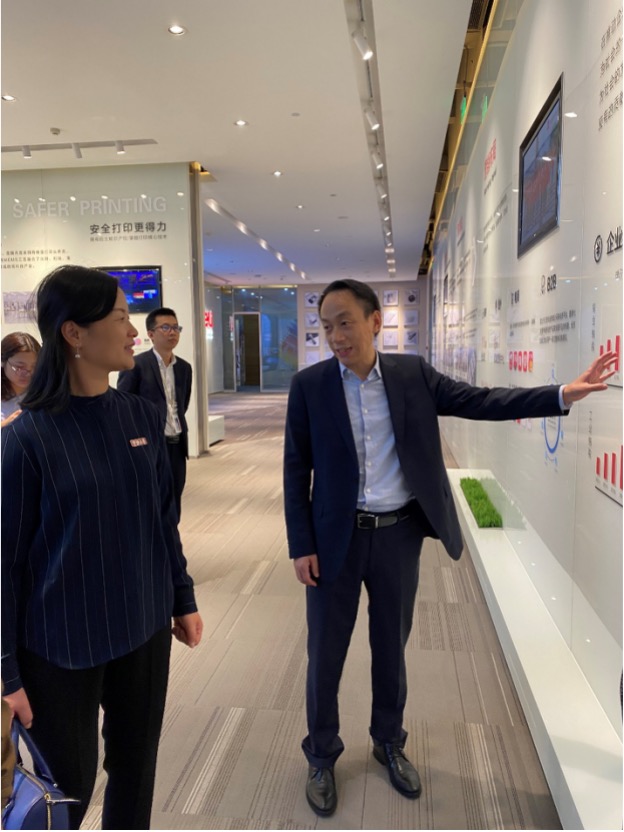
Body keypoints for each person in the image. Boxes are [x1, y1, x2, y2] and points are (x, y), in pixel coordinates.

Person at [283, 278, 617, 817]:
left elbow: (480, 401)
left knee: (391, 648)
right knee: (325, 653)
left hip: (397, 536)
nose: (336, 336)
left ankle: (389, 742)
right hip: (333, 541)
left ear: (374, 322)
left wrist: (560, 394)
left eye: (345, 322)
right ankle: (321, 755)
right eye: (326, 326)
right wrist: (301, 544)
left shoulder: (411, 375)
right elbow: (296, 469)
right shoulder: (310, 386)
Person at [1, 266, 203, 830]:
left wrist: (182, 597)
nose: (134, 330)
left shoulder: (139, 415)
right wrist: (7, 672)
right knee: (69, 786)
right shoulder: (24, 439)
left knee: (136, 768)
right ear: (74, 333)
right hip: (60, 642)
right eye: (119, 317)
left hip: (143, 624)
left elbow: (162, 521)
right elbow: (3, 565)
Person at [117, 307, 192, 521]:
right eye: (165, 327)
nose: (172, 332)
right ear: (151, 334)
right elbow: (124, 406)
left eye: (176, 328)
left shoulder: (184, 368)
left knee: (174, 501)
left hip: (177, 445)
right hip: (150, 445)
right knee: (152, 502)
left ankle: (171, 540)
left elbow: (183, 404)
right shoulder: (136, 365)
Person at [1, 332, 41, 427]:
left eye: (34, 366)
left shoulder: (44, 392)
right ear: (2, 361)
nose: (28, 373)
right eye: (20, 367)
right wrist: (4, 425)